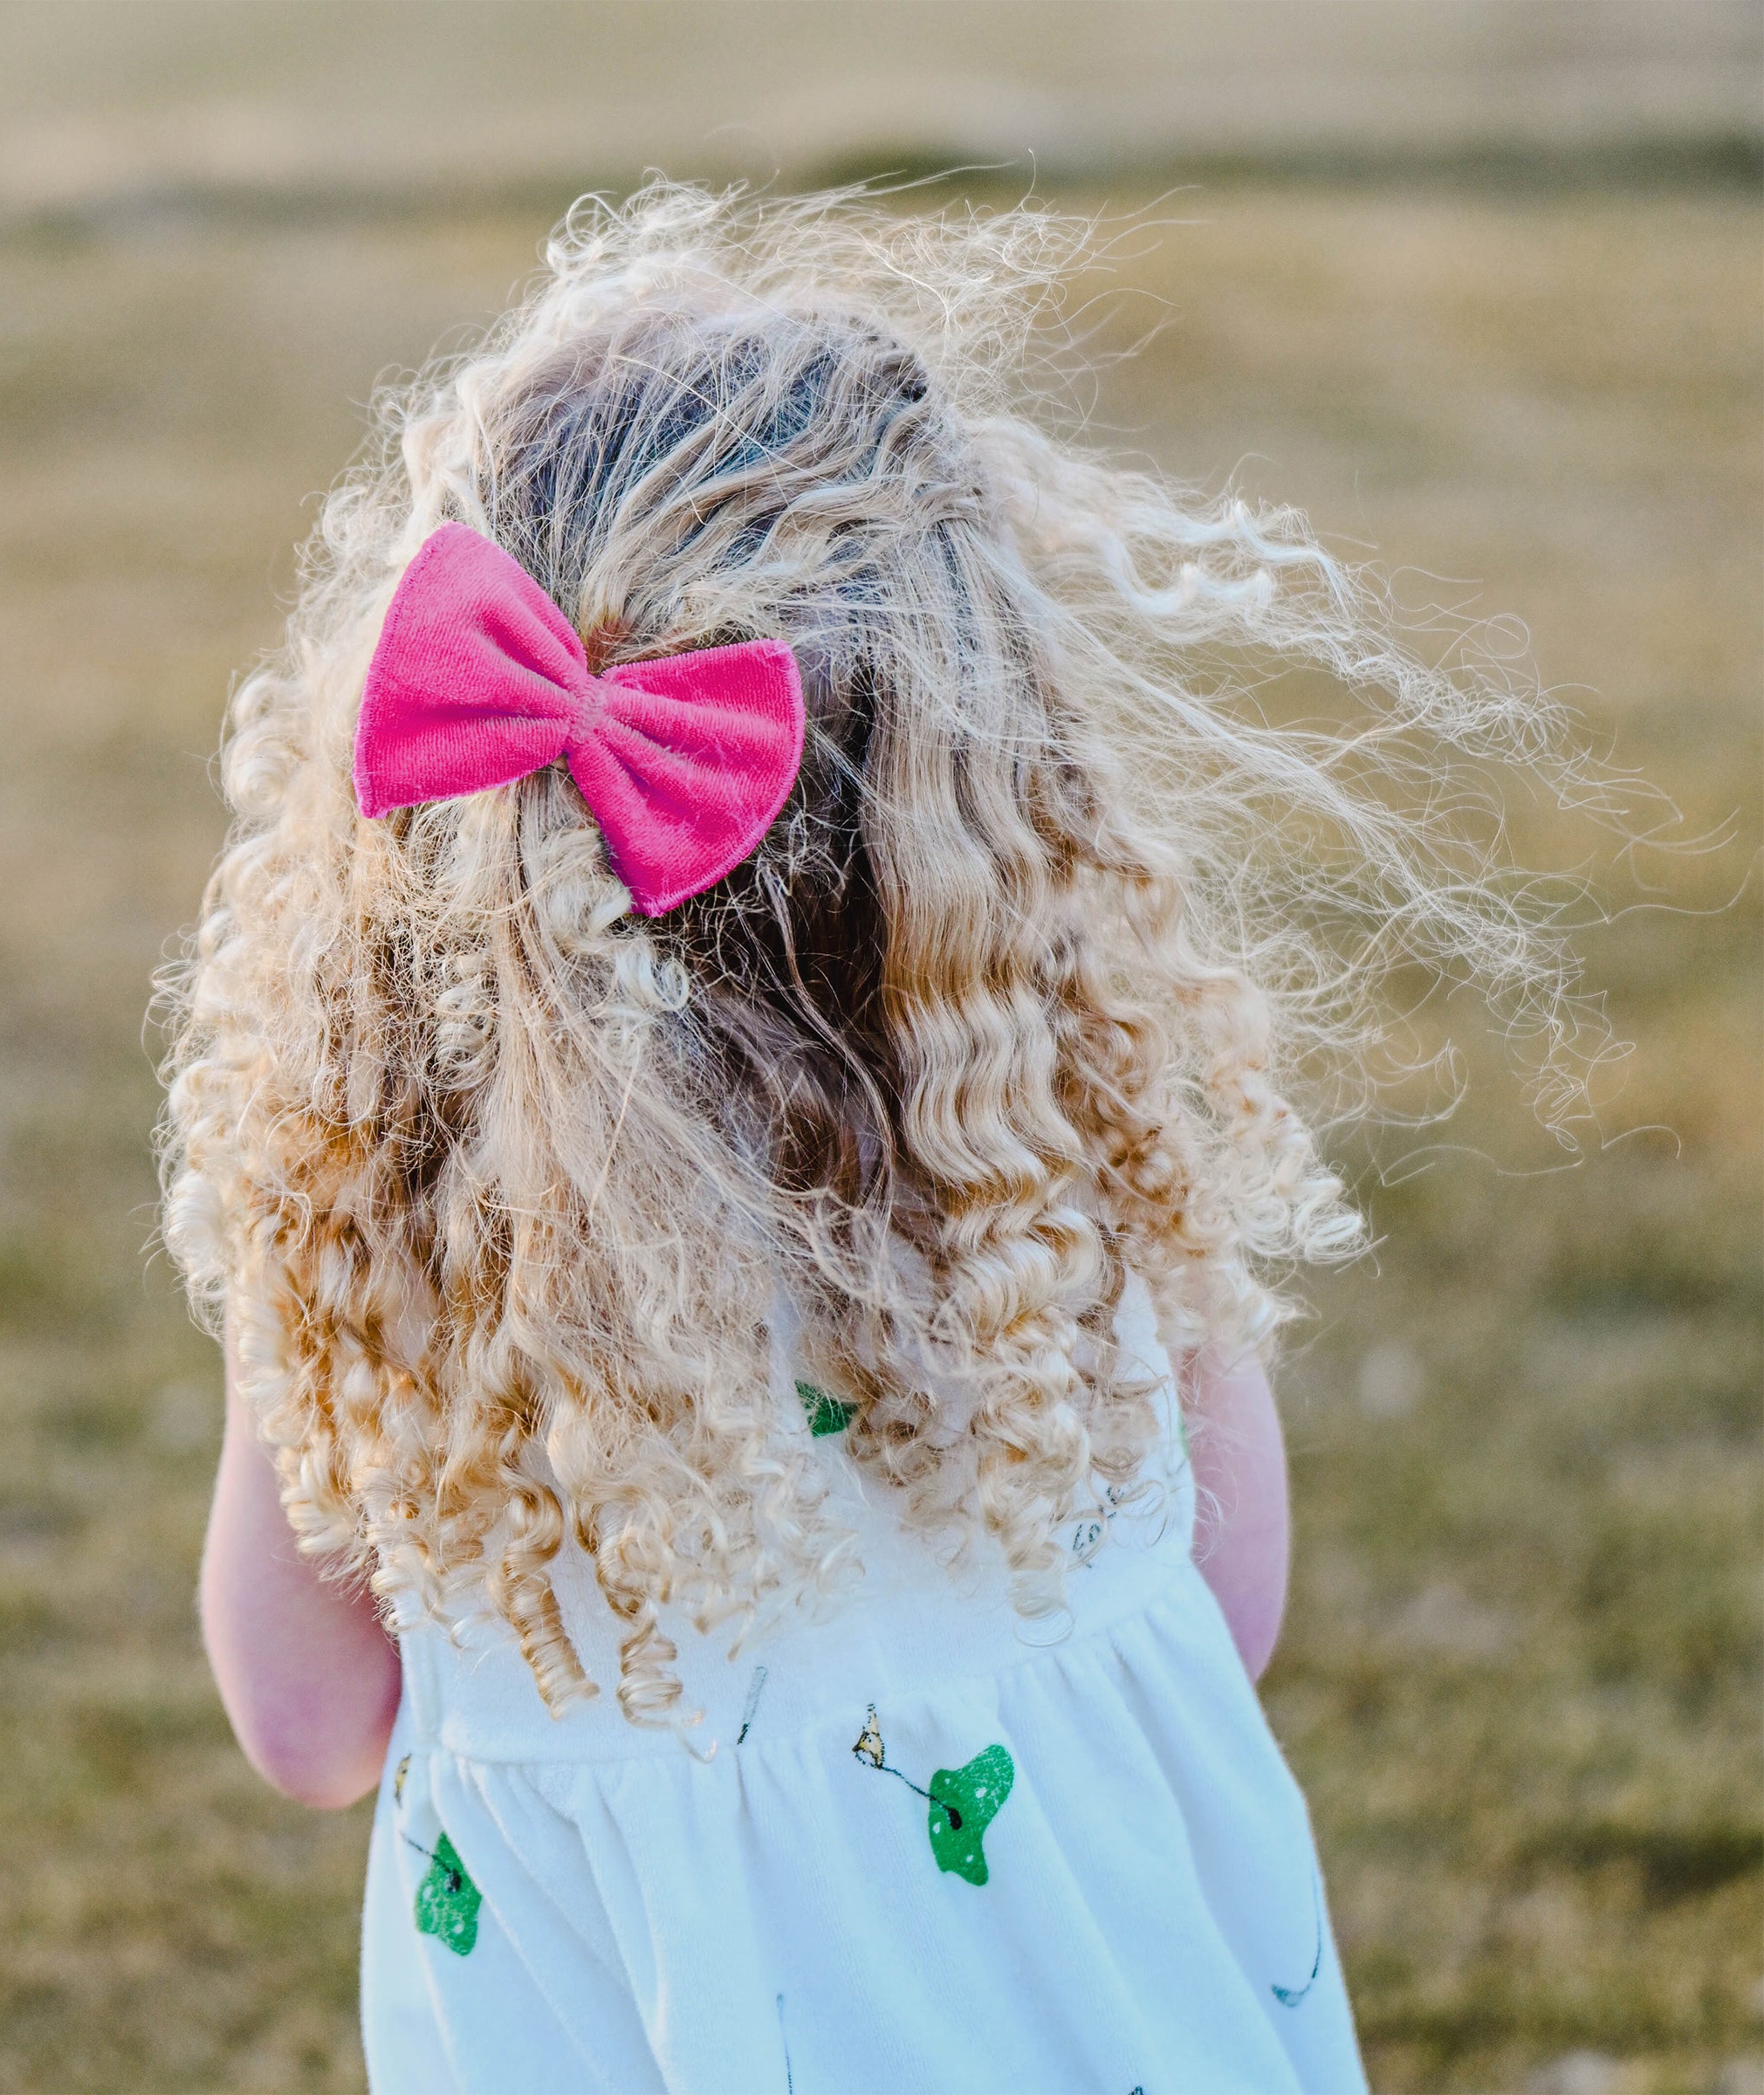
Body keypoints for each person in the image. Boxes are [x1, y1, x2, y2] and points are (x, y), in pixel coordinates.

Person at [162, 182, 1600, 2094]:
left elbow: (306, 1716)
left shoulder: (393, 1264)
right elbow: (1225, 1605)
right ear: (981, 790)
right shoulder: (1059, 1172)